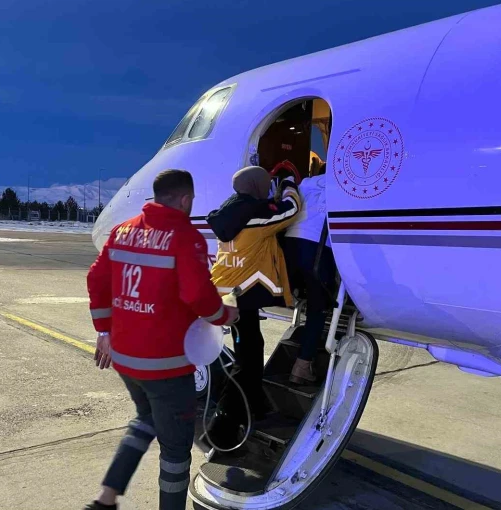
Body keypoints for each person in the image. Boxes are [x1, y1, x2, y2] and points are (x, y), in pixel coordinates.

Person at [85, 169, 239, 510]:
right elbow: (198, 295)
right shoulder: (185, 236)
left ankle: (105, 498)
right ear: (185, 199)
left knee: (145, 419)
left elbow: (96, 278)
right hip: (167, 366)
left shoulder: (122, 231)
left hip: (127, 360)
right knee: (174, 452)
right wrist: (226, 315)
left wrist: (104, 331)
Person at [205, 166, 301, 449]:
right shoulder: (255, 214)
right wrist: (289, 184)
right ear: (257, 187)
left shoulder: (229, 212)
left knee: (251, 349)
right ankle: (222, 426)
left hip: (229, 292)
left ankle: (256, 407)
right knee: (247, 361)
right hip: (241, 295)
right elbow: (290, 210)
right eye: (266, 184)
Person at [283, 166, 337, 384]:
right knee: (318, 309)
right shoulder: (341, 185)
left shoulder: (306, 183)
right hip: (318, 248)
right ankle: (302, 367)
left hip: (290, 244)